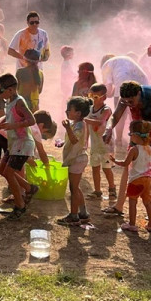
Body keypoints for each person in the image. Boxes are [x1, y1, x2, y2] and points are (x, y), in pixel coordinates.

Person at [102, 81, 151, 221]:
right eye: (126, 101)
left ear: (139, 94)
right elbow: (116, 116)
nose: (129, 104)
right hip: (140, 133)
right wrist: (109, 128)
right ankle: (118, 206)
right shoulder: (125, 99)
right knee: (129, 166)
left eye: (132, 101)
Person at [0, 73, 36, 220]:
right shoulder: (10, 102)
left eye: (0, 90)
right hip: (14, 144)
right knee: (2, 170)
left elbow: (31, 120)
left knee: (10, 173)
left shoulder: (19, 102)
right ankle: (30, 188)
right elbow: (6, 117)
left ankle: (20, 205)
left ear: (10, 90)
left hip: (23, 144)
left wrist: (13, 126)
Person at [0, 110, 56, 200]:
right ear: (41, 125)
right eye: (43, 132)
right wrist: (47, 166)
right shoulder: (34, 128)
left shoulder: (24, 117)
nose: (41, 134)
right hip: (7, 136)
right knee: (18, 166)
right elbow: (41, 152)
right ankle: (22, 193)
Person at [110, 120, 151, 233]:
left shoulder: (134, 149)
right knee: (147, 202)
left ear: (135, 135)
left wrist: (114, 161)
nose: (130, 137)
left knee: (132, 201)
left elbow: (125, 163)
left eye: (130, 134)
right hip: (147, 179)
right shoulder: (149, 148)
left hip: (136, 180)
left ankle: (132, 224)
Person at [57, 96, 92, 226]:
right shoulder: (76, 124)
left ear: (78, 113)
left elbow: (74, 140)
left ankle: (74, 216)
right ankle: (83, 213)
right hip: (77, 158)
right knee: (75, 187)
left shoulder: (80, 125)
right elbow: (72, 141)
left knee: (73, 188)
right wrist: (62, 143)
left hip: (77, 159)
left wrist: (67, 128)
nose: (66, 111)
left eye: (69, 110)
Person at [100, 54, 149, 146]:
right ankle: (140, 138)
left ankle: (119, 140)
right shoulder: (123, 59)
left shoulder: (106, 65)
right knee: (138, 114)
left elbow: (109, 90)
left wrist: (101, 95)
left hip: (123, 85)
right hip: (143, 85)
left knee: (120, 114)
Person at [84, 83, 116, 199]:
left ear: (104, 97)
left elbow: (101, 122)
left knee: (106, 168)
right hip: (95, 145)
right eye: (91, 96)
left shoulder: (106, 109)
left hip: (106, 145)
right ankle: (97, 191)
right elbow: (88, 129)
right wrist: (86, 142)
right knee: (95, 168)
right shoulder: (90, 109)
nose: (93, 99)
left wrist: (86, 120)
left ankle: (112, 188)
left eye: (96, 97)